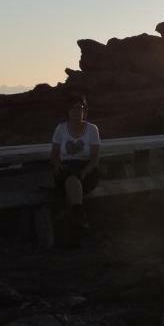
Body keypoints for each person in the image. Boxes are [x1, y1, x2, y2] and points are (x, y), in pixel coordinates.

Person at [50, 94, 101, 246]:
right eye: (73, 108)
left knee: (73, 180)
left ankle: (74, 229)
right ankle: (79, 220)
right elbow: (53, 155)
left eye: (80, 108)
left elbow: (95, 159)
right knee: (71, 177)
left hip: (87, 170)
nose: (77, 111)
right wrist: (58, 166)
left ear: (85, 111)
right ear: (67, 111)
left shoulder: (92, 129)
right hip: (65, 169)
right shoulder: (61, 129)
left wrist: (84, 172)